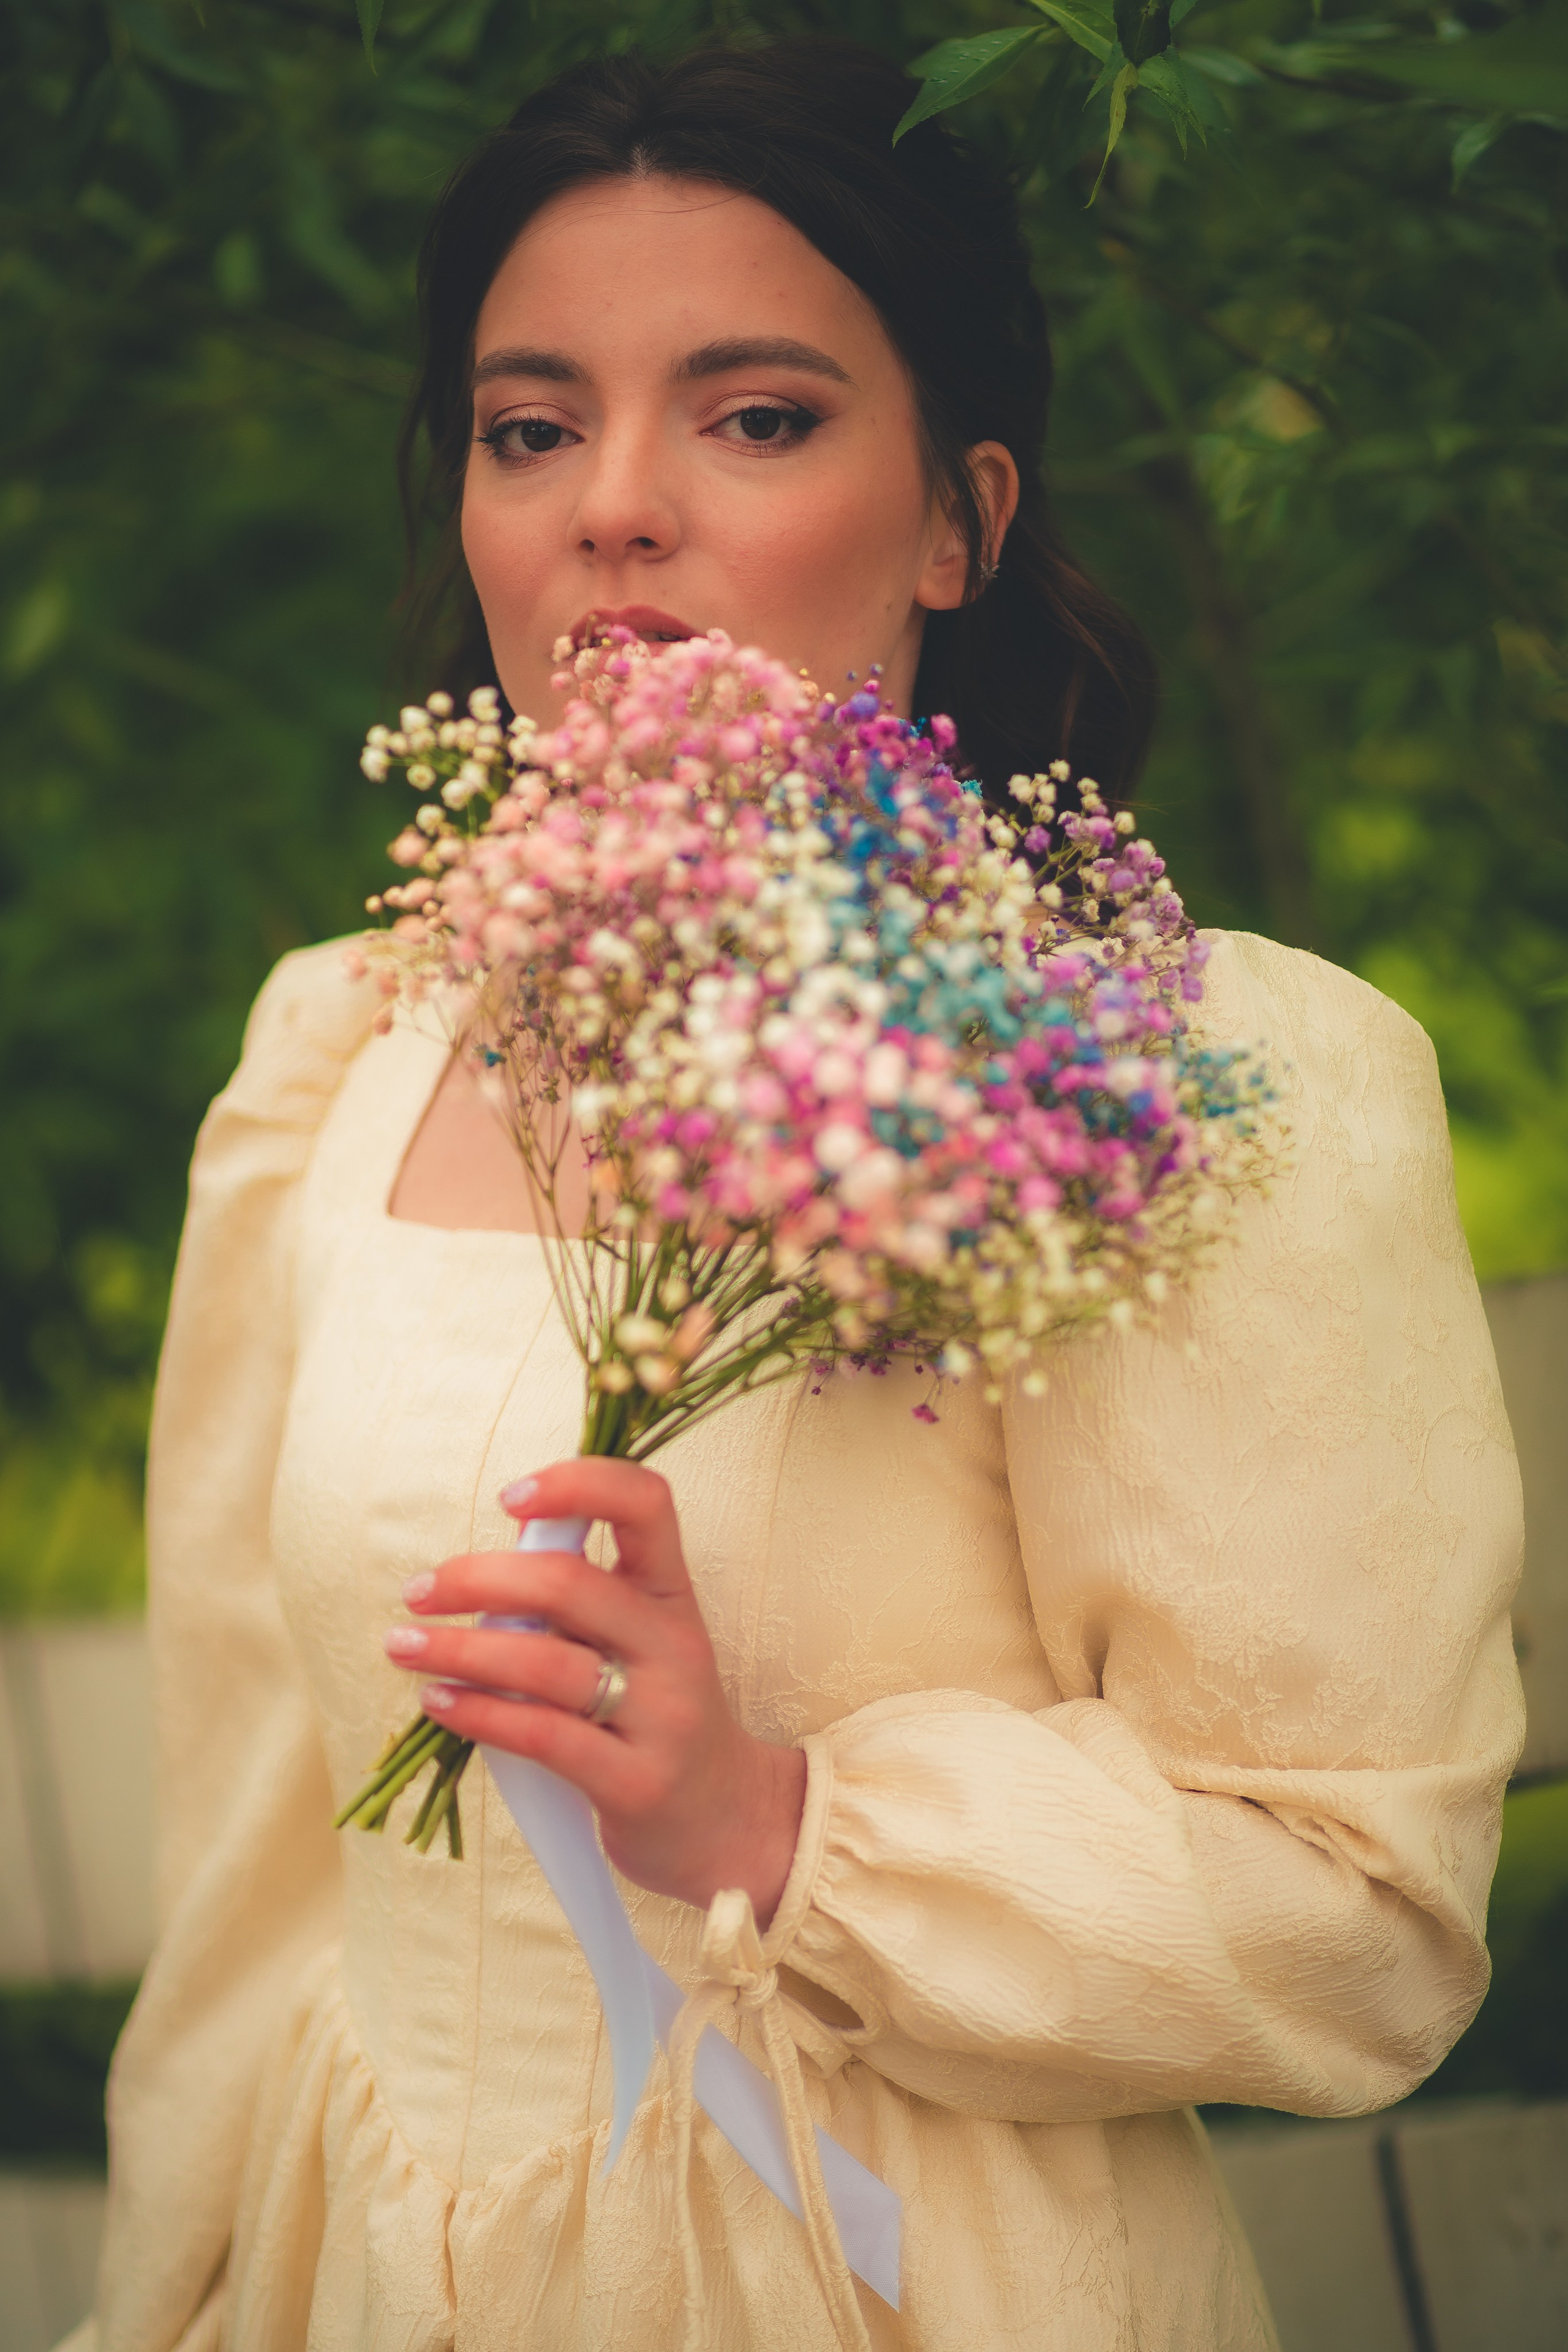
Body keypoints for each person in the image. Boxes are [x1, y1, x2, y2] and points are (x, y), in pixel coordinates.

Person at [86, 40, 1523, 2352]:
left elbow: (1361, 1909)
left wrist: (773, 1827)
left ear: (959, 516)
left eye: (755, 417)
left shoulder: (1161, 1072)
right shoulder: (339, 1050)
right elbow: (256, 1867)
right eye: (529, 426)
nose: (612, 507)